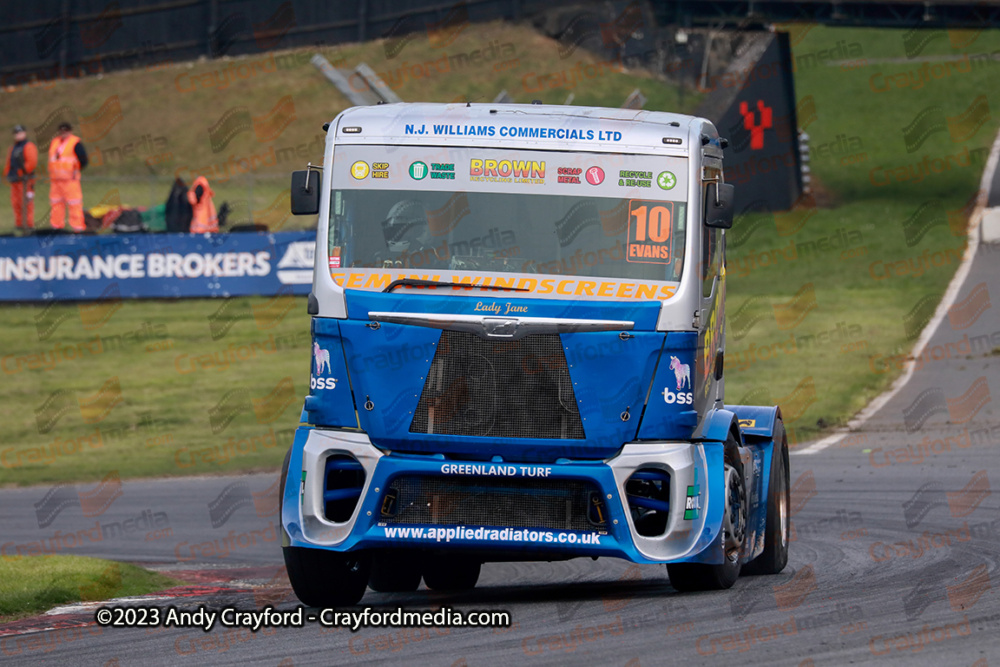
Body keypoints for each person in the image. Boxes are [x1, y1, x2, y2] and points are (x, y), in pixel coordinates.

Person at [47, 121, 88, 231]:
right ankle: (56, 227)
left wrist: (76, 170)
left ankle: (77, 227)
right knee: (56, 204)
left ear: (70, 131)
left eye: (66, 131)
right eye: (62, 131)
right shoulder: (55, 142)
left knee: (74, 203)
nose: (63, 133)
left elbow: (83, 159)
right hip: (56, 180)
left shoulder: (75, 143)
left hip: (70, 180)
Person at [4, 125, 37, 232]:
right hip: (15, 181)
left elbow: (31, 163)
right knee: (16, 203)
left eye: (20, 133)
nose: (18, 135)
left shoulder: (29, 146)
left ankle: (28, 225)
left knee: (26, 203)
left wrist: (21, 173)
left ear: (24, 133)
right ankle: (19, 225)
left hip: (25, 180)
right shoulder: (13, 148)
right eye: (16, 133)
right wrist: (8, 174)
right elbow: (9, 162)